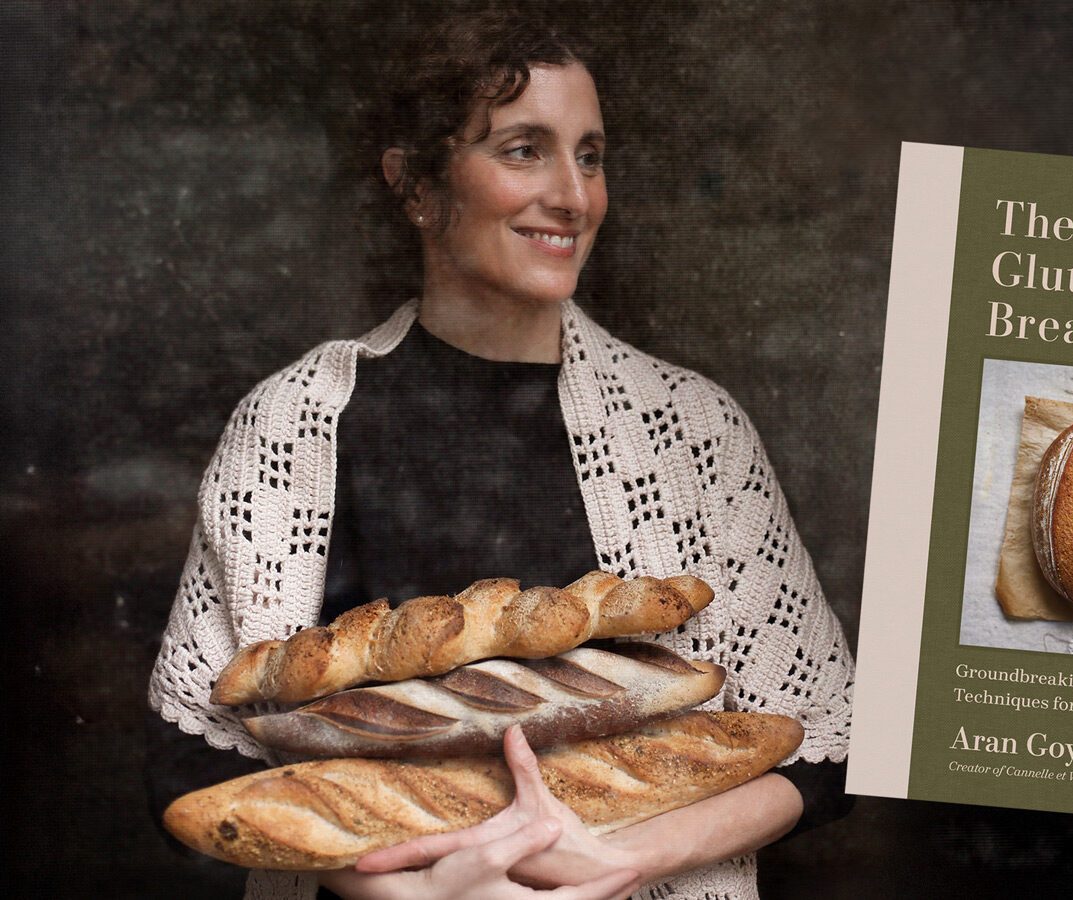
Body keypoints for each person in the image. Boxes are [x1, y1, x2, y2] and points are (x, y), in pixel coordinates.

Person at [146, 14, 854, 900]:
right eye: (526, 150)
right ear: (414, 183)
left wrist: (625, 859)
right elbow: (192, 758)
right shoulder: (294, 424)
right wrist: (416, 894)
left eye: (589, 156)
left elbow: (824, 741)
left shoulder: (692, 430)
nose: (573, 196)